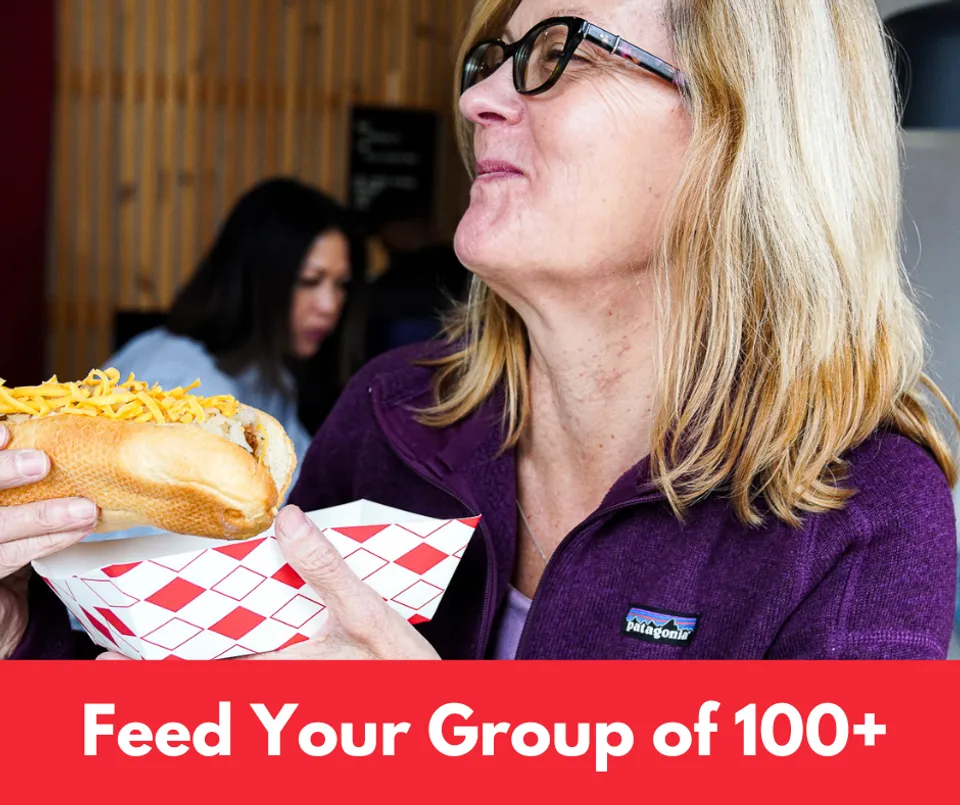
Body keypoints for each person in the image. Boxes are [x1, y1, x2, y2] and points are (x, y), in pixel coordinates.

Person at [3, 0, 959, 661]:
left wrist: (442, 754)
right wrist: (17, 632)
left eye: (561, 52)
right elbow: (184, 728)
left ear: (740, 137)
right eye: (493, 56)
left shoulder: (865, 513)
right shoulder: (393, 415)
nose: (477, 98)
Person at [103, 177, 364, 497]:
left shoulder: (270, 376)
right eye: (310, 280)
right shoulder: (181, 381)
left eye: (341, 284)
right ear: (255, 279)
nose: (329, 305)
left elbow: (312, 488)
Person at [361, 187, 470, 359]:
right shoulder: (465, 266)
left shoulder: (392, 284)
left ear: (396, 229)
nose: (382, 245)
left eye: (383, 235)